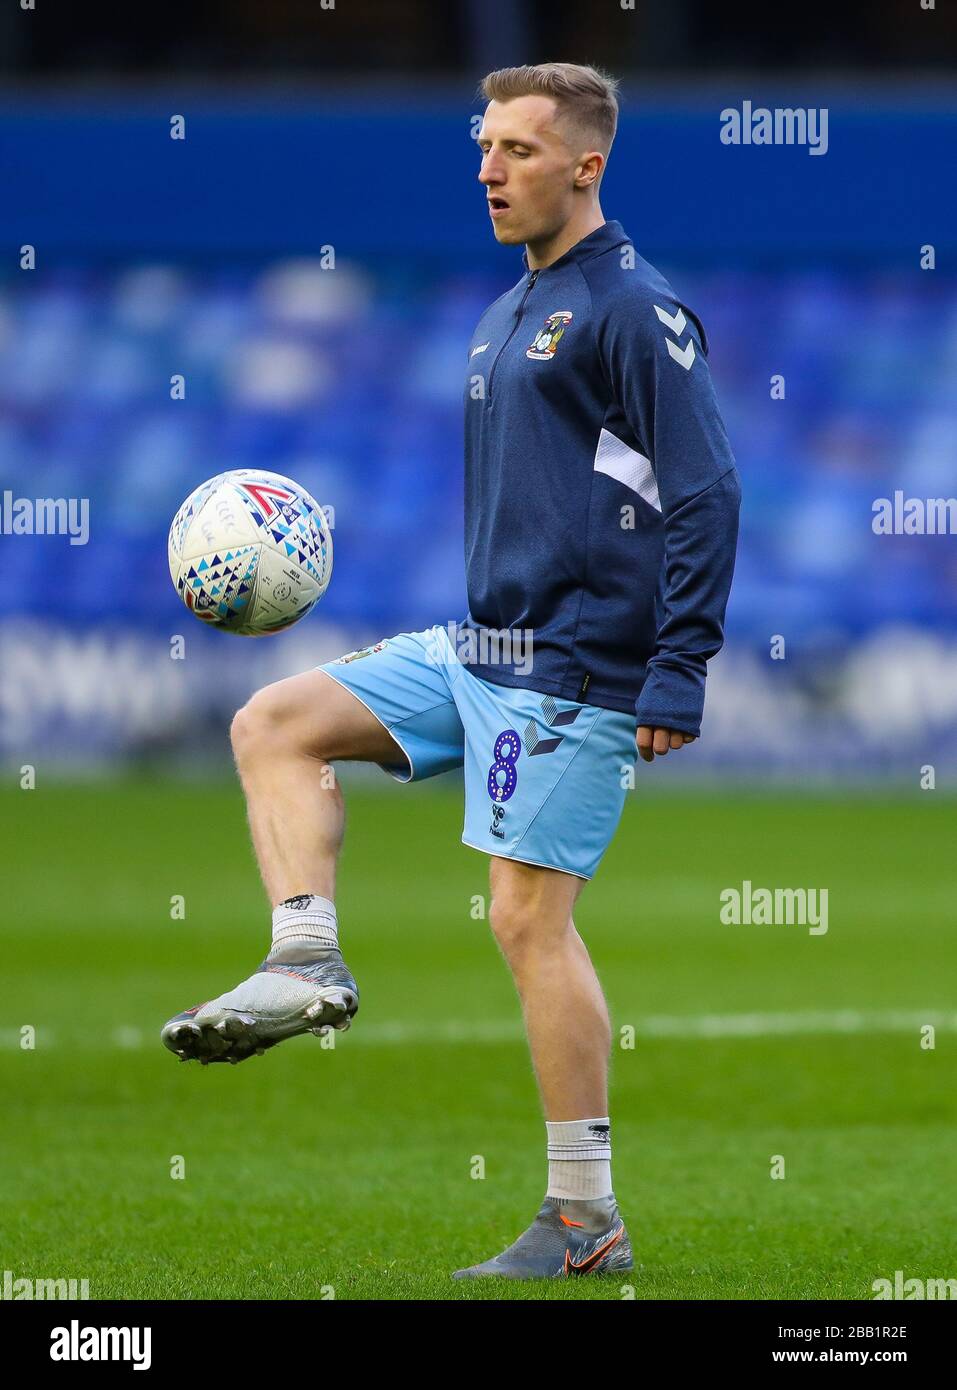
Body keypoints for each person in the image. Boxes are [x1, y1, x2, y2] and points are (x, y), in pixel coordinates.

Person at [162, 61, 741, 1281]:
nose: (490, 168)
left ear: (587, 164)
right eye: (484, 146)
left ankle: (585, 1220)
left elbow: (707, 491)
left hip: (574, 667)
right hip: (480, 646)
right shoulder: (508, 307)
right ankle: (306, 955)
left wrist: (678, 669)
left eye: (520, 150)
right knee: (274, 722)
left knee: (528, 923)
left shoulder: (636, 309)